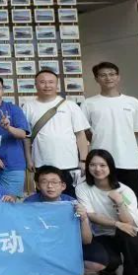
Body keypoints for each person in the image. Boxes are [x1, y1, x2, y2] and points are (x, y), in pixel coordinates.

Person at [81, 62, 138, 231]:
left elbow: (136, 130)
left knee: (132, 203)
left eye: (112, 74)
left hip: (129, 162)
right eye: (103, 75)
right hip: (100, 165)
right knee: (102, 203)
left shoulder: (132, 102)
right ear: (97, 79)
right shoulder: (89, 104)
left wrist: (122, 141)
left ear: (118, 77)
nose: (108, 78)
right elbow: (84, 132)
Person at [76, 149, 138, 275]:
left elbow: (131, 223)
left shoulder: (125, 191)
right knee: (110, 262)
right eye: (93, 165)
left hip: (128, 233)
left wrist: (120, 203)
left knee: (129, 234)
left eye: (102, 165)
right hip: (101, 234)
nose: (97, 169)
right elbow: (91, 215)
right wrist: (116, 223)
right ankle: (110, 268)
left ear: (110, 167)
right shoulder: (83, 188)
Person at [24, 69, 90, 197]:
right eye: (42, 82)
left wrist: (83, 160)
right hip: (41, 162)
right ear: (36, 85)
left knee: (71, 199)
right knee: (44, 198)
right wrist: (28, 159)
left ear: (57, 84)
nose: (47, 85)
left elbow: (80, 135)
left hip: (69, 163)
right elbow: (26, 137)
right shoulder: (28, 106)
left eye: (51, 82)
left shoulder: (70, 105)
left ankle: (72, 212)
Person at [25, 165, 93, 275]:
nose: (50, 186)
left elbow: (87, 240)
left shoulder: (72, 205)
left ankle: (70, 266)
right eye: (44, 182)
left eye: (54, 182)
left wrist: (83, 218)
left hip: (65, 249)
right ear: (38, 186)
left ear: (63, 186)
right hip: (41, 249)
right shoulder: (29, 204)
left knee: (93, 264)